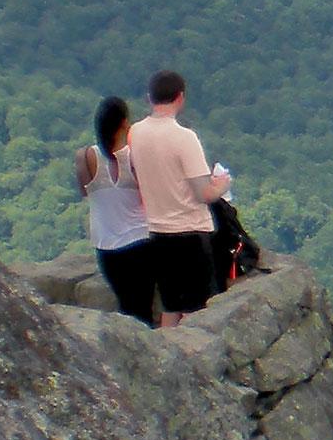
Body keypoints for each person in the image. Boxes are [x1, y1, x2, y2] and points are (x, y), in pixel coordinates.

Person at [125, 69, 232, 327]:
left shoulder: (135, 133)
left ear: (149, 98)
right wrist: (222, 185)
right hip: (191, 233)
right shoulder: (184, 138)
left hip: (156, 232)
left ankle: (164, 359)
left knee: (171, 305)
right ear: (180, 97)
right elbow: (203, 193)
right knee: (198, 311)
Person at [76, 96, 154, 322]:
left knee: (127, 306)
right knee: (143, 308)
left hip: (106, 246)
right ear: (123, 124)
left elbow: (84, 191)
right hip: (141, 242)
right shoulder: (134, 156)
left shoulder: (85, 157)